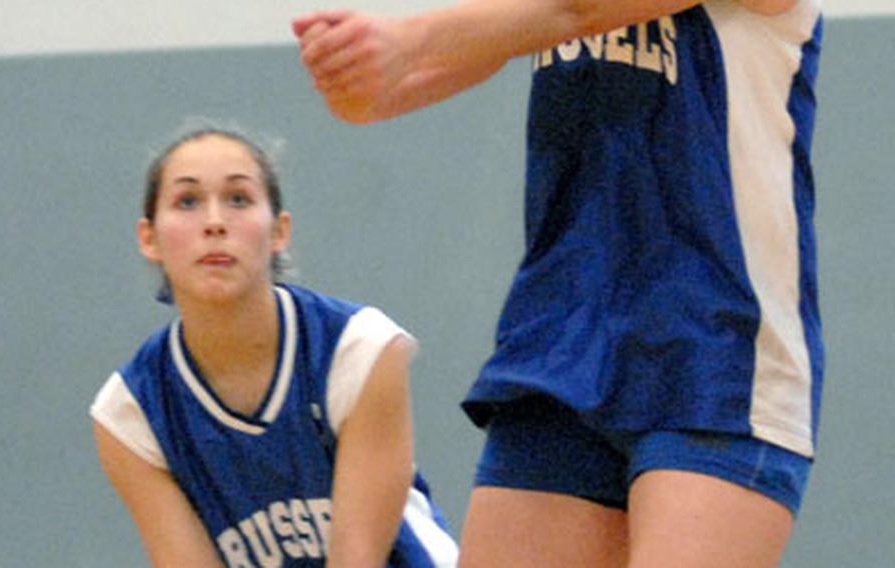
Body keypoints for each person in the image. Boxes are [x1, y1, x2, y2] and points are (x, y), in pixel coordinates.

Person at [293, 1, 824, 566]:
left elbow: (578, 10)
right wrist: (372, 81)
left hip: (713, 352)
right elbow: (503, 33)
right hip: (560, 339)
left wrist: (408, 42)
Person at [90, 127, 459, 568]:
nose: (214, 221)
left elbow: (358, 559)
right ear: (148, 238)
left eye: (239, 199)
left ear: (279, 230)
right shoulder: (130, 413)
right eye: (187, 202)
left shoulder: (357, 349)